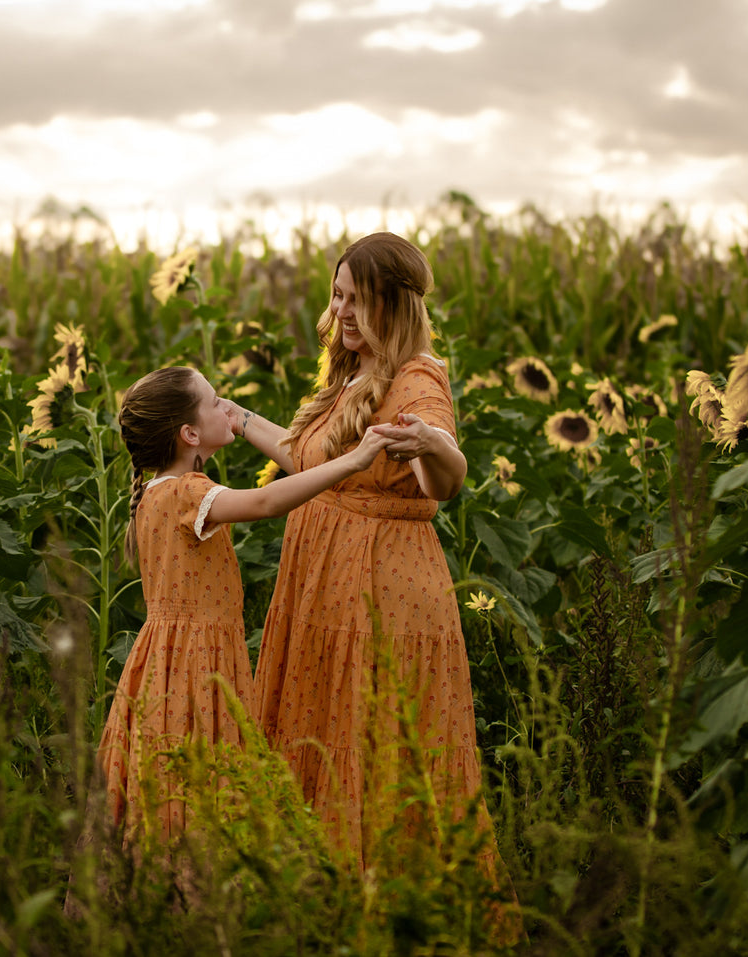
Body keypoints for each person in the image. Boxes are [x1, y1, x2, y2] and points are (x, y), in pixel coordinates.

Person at [223, 231, 505, 878]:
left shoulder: (415, 381)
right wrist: (234, 415)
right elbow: (307, 461)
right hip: (326, 587)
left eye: (358, 300)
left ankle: (383, 904)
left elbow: (445, 481)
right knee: (324, 733)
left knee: (371, 744)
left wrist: (431, 444)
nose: (342, 312)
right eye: (337, 295)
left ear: (396, 306)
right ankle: (322, 893)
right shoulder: (354, 372)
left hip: (379, 592)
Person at [99, 365, 394, 843]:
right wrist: (352, 461)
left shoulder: (155, 493)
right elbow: (264, 503)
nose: (227, 408)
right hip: (197, 666)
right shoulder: (188, 492)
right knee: (202, 774)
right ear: (190, 433)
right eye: (215, 403)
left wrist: (242, 418)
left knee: (170, 776)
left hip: (165, 660)